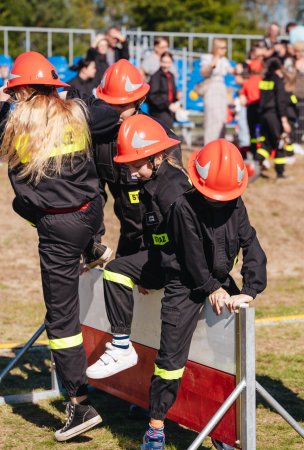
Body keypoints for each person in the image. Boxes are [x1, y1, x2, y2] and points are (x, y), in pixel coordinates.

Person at [0, 51, 118, 441]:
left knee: (62, 322)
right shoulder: (79, 112)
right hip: (91, 213)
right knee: (26, 202)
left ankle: (79, 403)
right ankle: (93, 247)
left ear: (22, 89)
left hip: (58, 228)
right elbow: (113, 113)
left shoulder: (12, 120)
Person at [141, 138, 267, 450]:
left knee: (227, 360)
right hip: (185, 284)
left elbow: (251, 243)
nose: (220, 202)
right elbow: (192, 257)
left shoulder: (236, 204)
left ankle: (223, 430)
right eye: (214, 197)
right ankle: (155, 430)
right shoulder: (183, 207)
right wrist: (212, 288)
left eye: (226, 198)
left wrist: (250, 289)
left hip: (221, 284)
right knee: (170, 359)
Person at [86, 114, 190, 380]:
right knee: (116, 269)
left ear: (156, 158)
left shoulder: (173, 189)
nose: (131, 173)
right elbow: (153, 234)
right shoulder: (150, 183)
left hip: (181, 268)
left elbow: (190, 242)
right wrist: (145, 270)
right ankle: (122, 346)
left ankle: (123, 348)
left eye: (135, 166)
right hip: (162, 259)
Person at [93, 59, 182, 258]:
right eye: (110, 104)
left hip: (164, 242)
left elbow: (175, 199)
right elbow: (94, 193)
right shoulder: (99, 141)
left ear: (139, 100)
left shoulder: (163, 139)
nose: (114, 111)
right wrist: (93, 241)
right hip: (130, 236)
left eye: (122, 105)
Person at [256, 57, 291, 178]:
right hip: (274, 116)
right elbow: (280, 101)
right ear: (278, 68)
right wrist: (284, 120)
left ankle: (254, 164)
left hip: (264, 116)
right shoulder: (277, 80)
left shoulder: (264, 80)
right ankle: (280, 173)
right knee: (280, 142)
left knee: (266, 144)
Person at [200, 38, 234, 144]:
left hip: (221, 89)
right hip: (211, 88)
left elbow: (232, 71)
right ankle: (209, 145)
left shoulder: (224, 61)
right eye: (222, 48)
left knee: (221, 120)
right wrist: (213, 62)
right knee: (212, 119)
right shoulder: (207, 58)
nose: (225, 50)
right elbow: (203, 72)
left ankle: (220, 145)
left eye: (225, 48)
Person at [147, 51, 180, 128]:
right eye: (163, 62)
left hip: (168, 110)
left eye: (168, 62)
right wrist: (168, 104)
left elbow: (171, 93)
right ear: (160, 62)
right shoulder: (155, 76)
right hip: (158, 111)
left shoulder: (171, 76)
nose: (165, 65)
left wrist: (176, 98)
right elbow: (153, 96)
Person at [240, 59, 264, 157]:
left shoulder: (247, 82)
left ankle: (253, 150)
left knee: (252, 130)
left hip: (251, 108)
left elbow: (242, 99)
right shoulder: (263, 81)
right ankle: (262, 150)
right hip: (262, 107)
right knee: (262, 130)